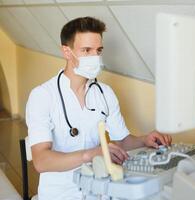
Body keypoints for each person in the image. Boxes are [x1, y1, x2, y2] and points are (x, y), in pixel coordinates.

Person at [25, 16, 172, 200]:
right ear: (67, 52)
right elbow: (42, 161)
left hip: (99, 187)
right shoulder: (42, 96)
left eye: (98, 50)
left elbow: (122, 141)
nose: (94, 57)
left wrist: (145, 140)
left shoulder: (105, 93)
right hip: (61, 193)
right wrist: (91, 154)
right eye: (86, 50)